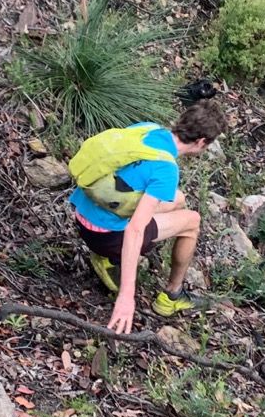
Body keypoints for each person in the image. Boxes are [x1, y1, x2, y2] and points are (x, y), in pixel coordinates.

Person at [70, 101, 227, 334]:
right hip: (106, 237)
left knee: (179, 198)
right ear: (201, 142)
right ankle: (171, 296)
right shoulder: (166, 169)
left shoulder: (148, 128)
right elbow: (135, 230)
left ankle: (108, 257)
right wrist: (126, 296)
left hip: (82, 214)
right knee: (192, 221)